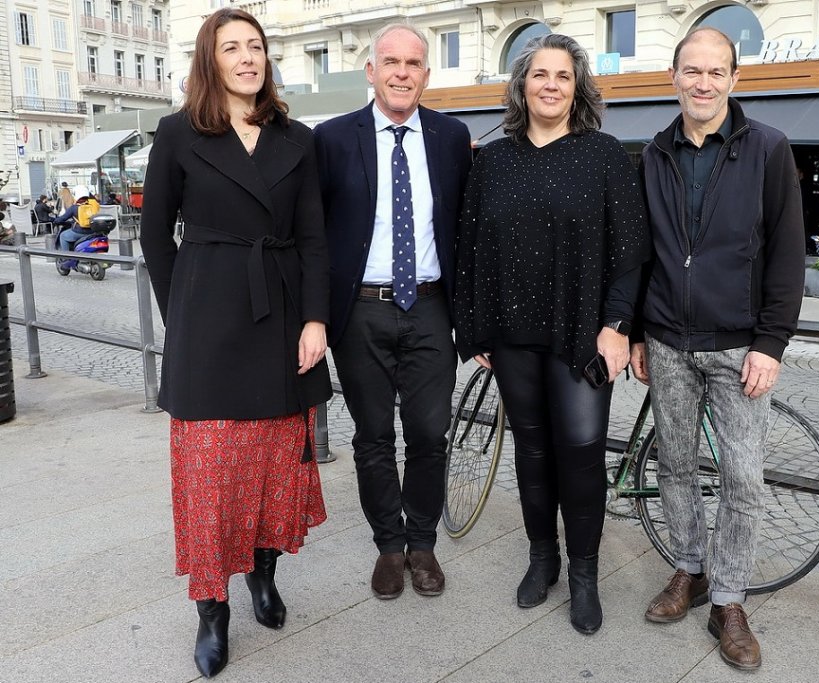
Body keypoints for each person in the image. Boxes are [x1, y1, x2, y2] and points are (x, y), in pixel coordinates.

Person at [139, 8, 332, 678]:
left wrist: (316, 319)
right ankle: (212, 608)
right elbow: (154, 236)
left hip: (281, 317)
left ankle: (264, 573)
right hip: (209, 326)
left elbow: (313, 237)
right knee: (211, 475)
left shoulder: (297, 139)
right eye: (232, 48)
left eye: (256, 46)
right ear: (209, 59)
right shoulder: (176, 133)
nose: (248, 57)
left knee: (278, 464)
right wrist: (184, 311)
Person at [453, 33, 648, 635]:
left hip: (582, 335)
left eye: (563, 76)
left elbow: (632, 252)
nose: (551, 85)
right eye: (540, 74)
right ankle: (544, 560)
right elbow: (470, 249)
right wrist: (475, 326)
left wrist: (617, 328)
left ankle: (585, 577)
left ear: (578, 87)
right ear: (521, 85)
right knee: (533, 453)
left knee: (582, 452)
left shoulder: (606, 154)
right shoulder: (493, 160)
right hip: (512, 334)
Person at [630, 28, 804, 670]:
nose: (703, 83)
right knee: (674, 466)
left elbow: (788, 252)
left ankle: (729, 600)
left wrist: (771, 342)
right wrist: (638, 331)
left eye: (716, 72)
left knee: (742, 477)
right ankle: (690, 569)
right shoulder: (652, 153)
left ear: (734, 78)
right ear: (673, 77)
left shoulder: (768, 149)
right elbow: (642, 252)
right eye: (691, 71)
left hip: (740, 348)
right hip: (668, 342)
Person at [313, 24, 472, 602]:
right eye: (391, 61)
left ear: (426, 74)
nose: (402, 72)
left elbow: (465, 229)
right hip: (361, 312)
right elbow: (314, 234)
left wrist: (472, 319)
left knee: (430, 432)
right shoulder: (331, 139)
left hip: (431, 307)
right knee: (373, 435)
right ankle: (388, 544)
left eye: (414, 63)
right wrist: (316, 315)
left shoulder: (452, 137)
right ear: (371, 70)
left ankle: (422, 540)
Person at [54, 185, 101, 251]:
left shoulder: (74, 208)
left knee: (63, 236)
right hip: (92, 232)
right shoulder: (93, 206)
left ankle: (66, 256)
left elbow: (62, 219)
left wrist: (55, 220)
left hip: (79, 232)